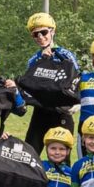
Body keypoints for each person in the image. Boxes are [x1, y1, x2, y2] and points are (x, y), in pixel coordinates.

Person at [23, 13, 78, 153]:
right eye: (36, 34)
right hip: (40, 110)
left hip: (62, 110)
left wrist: (76, 104)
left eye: (44, 32)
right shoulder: (32, 60)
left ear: (52, 31)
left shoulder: (66, 54)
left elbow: (76, 80)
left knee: (62, 155)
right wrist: (41, 62)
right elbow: (29, 85)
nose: (41, 37)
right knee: (30, 152)